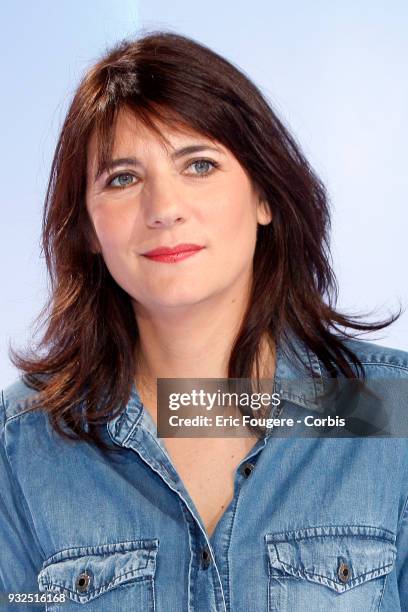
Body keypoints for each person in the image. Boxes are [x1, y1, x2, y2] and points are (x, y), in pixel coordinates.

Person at [1, 30, 407, 611]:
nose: (164, 209)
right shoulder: (23, 443)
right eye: (122, 178)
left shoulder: (384, 409)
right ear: (88, 228)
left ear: (265, 196)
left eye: (199, 164)